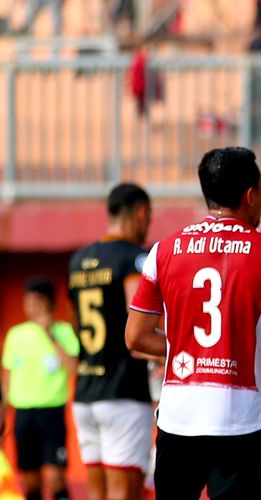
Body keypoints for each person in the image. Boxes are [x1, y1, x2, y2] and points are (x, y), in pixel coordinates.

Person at [124, 147, 261, 499]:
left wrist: (185, 350)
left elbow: (134, 337)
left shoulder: (162, 251)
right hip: (240, 419)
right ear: (250, 195)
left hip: (178, 417)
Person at [68, 182, 154, 500]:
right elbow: (139, 322)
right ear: (141, 213)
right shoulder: (133, 257)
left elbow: (75, 320)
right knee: (124, 492)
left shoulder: (78, 260)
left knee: (97, 491)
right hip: (123, 392)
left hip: (86, 392)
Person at [2, 277, 78, 500]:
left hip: (52, 413)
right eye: (29, 302)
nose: (32, 307)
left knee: (56, 478)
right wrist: (3, 413)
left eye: (38, 302)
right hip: (24, 414)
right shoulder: (16, 335)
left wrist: (50, 335)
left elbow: (73, 368)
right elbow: (7, 377)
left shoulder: (64, 332)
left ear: (50, 303)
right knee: (30, 480)